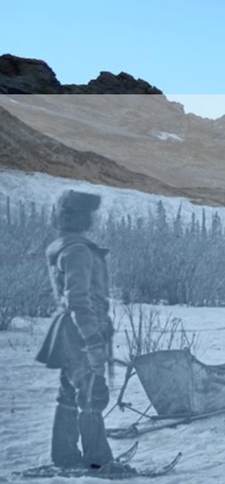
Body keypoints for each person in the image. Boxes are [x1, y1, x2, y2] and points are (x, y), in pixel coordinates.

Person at [35, 190, 130, 474]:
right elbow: (78, 302)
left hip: (71, 330)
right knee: (92, 394)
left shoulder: (67, 246)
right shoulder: (76, 250)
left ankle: (64, 456)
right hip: (81, 331)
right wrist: (92, 341)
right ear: (81, 217)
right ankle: (99, 461)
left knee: (69, 393)